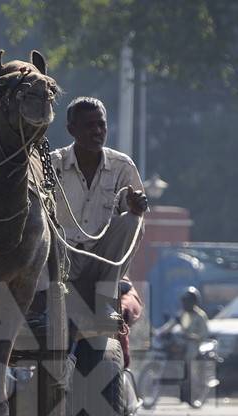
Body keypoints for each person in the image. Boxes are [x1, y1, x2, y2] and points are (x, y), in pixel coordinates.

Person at [50, 96, 148, 331]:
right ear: (71, 129)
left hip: (101, 261)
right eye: (89, 125)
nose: (97, 131)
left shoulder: (122, 166)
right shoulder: (53, 165)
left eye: (101, 124)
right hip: (61, 260)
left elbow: (135, 217)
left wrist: (137, 207)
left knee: (133, 221)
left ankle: (105, 301)